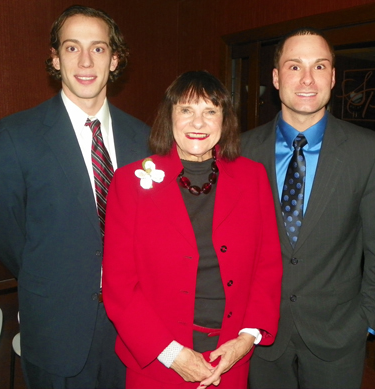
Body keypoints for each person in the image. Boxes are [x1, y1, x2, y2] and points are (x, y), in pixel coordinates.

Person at [0, 5, 150, 389]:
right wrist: (53, 277)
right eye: (72, 48)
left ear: (115, 59)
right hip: (56, 331)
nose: (85, 61)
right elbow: (2, 230)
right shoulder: (16, 136)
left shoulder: (144, 139)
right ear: (55, 58)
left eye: (98, 48)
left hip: (133, 333)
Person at [241, 27, 375, 389]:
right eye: (295, 66)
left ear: (332, 76)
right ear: (276, 78)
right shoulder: (241, 150)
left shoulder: (369, 150)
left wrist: (368, 320)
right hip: (258, 333)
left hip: (339, 334)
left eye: (319, 66)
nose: (307, 79)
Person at [102, 70, 282, 389]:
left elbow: (267, 266)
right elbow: (119, 285)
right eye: (186, 110)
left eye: (210, 111)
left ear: (224, 120)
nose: (198, 123)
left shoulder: (253, 178)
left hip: (229, 357)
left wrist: (246, 338)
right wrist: (173, 355)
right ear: (168, 117)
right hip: (158, 362)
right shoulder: (130, 183)